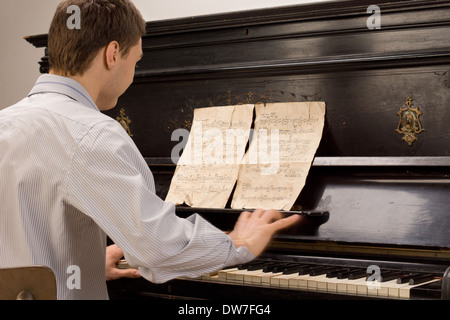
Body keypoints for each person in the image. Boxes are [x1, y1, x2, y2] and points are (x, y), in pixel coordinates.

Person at [0, 0, 300, 300]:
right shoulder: (90, 133)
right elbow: (157, 250)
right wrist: (237, 242)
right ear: (113, 54)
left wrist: (79, 265)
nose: (133, 72)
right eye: (136, 60)